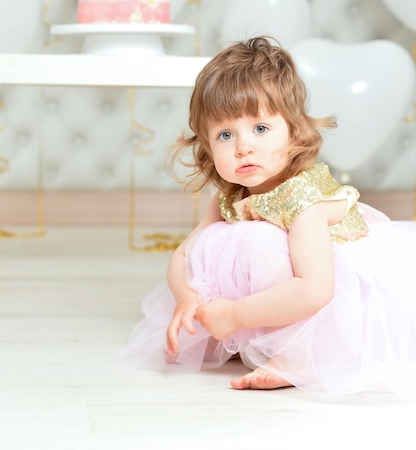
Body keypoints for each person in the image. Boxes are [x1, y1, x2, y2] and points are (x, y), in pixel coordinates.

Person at [120, 36, 416, 395]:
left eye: (260, 129)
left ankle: (301, 356)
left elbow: (315, 290)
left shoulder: (304, 201)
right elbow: (185, 254)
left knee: (259, 243)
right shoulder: (230, 195)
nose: (243, 147)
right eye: (226, 134)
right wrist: (186, 296)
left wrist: (232, 315)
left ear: (293, 131)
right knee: (216, 244)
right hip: (291, 288)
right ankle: (248, 337)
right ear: (207, 147)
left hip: (330, 294)